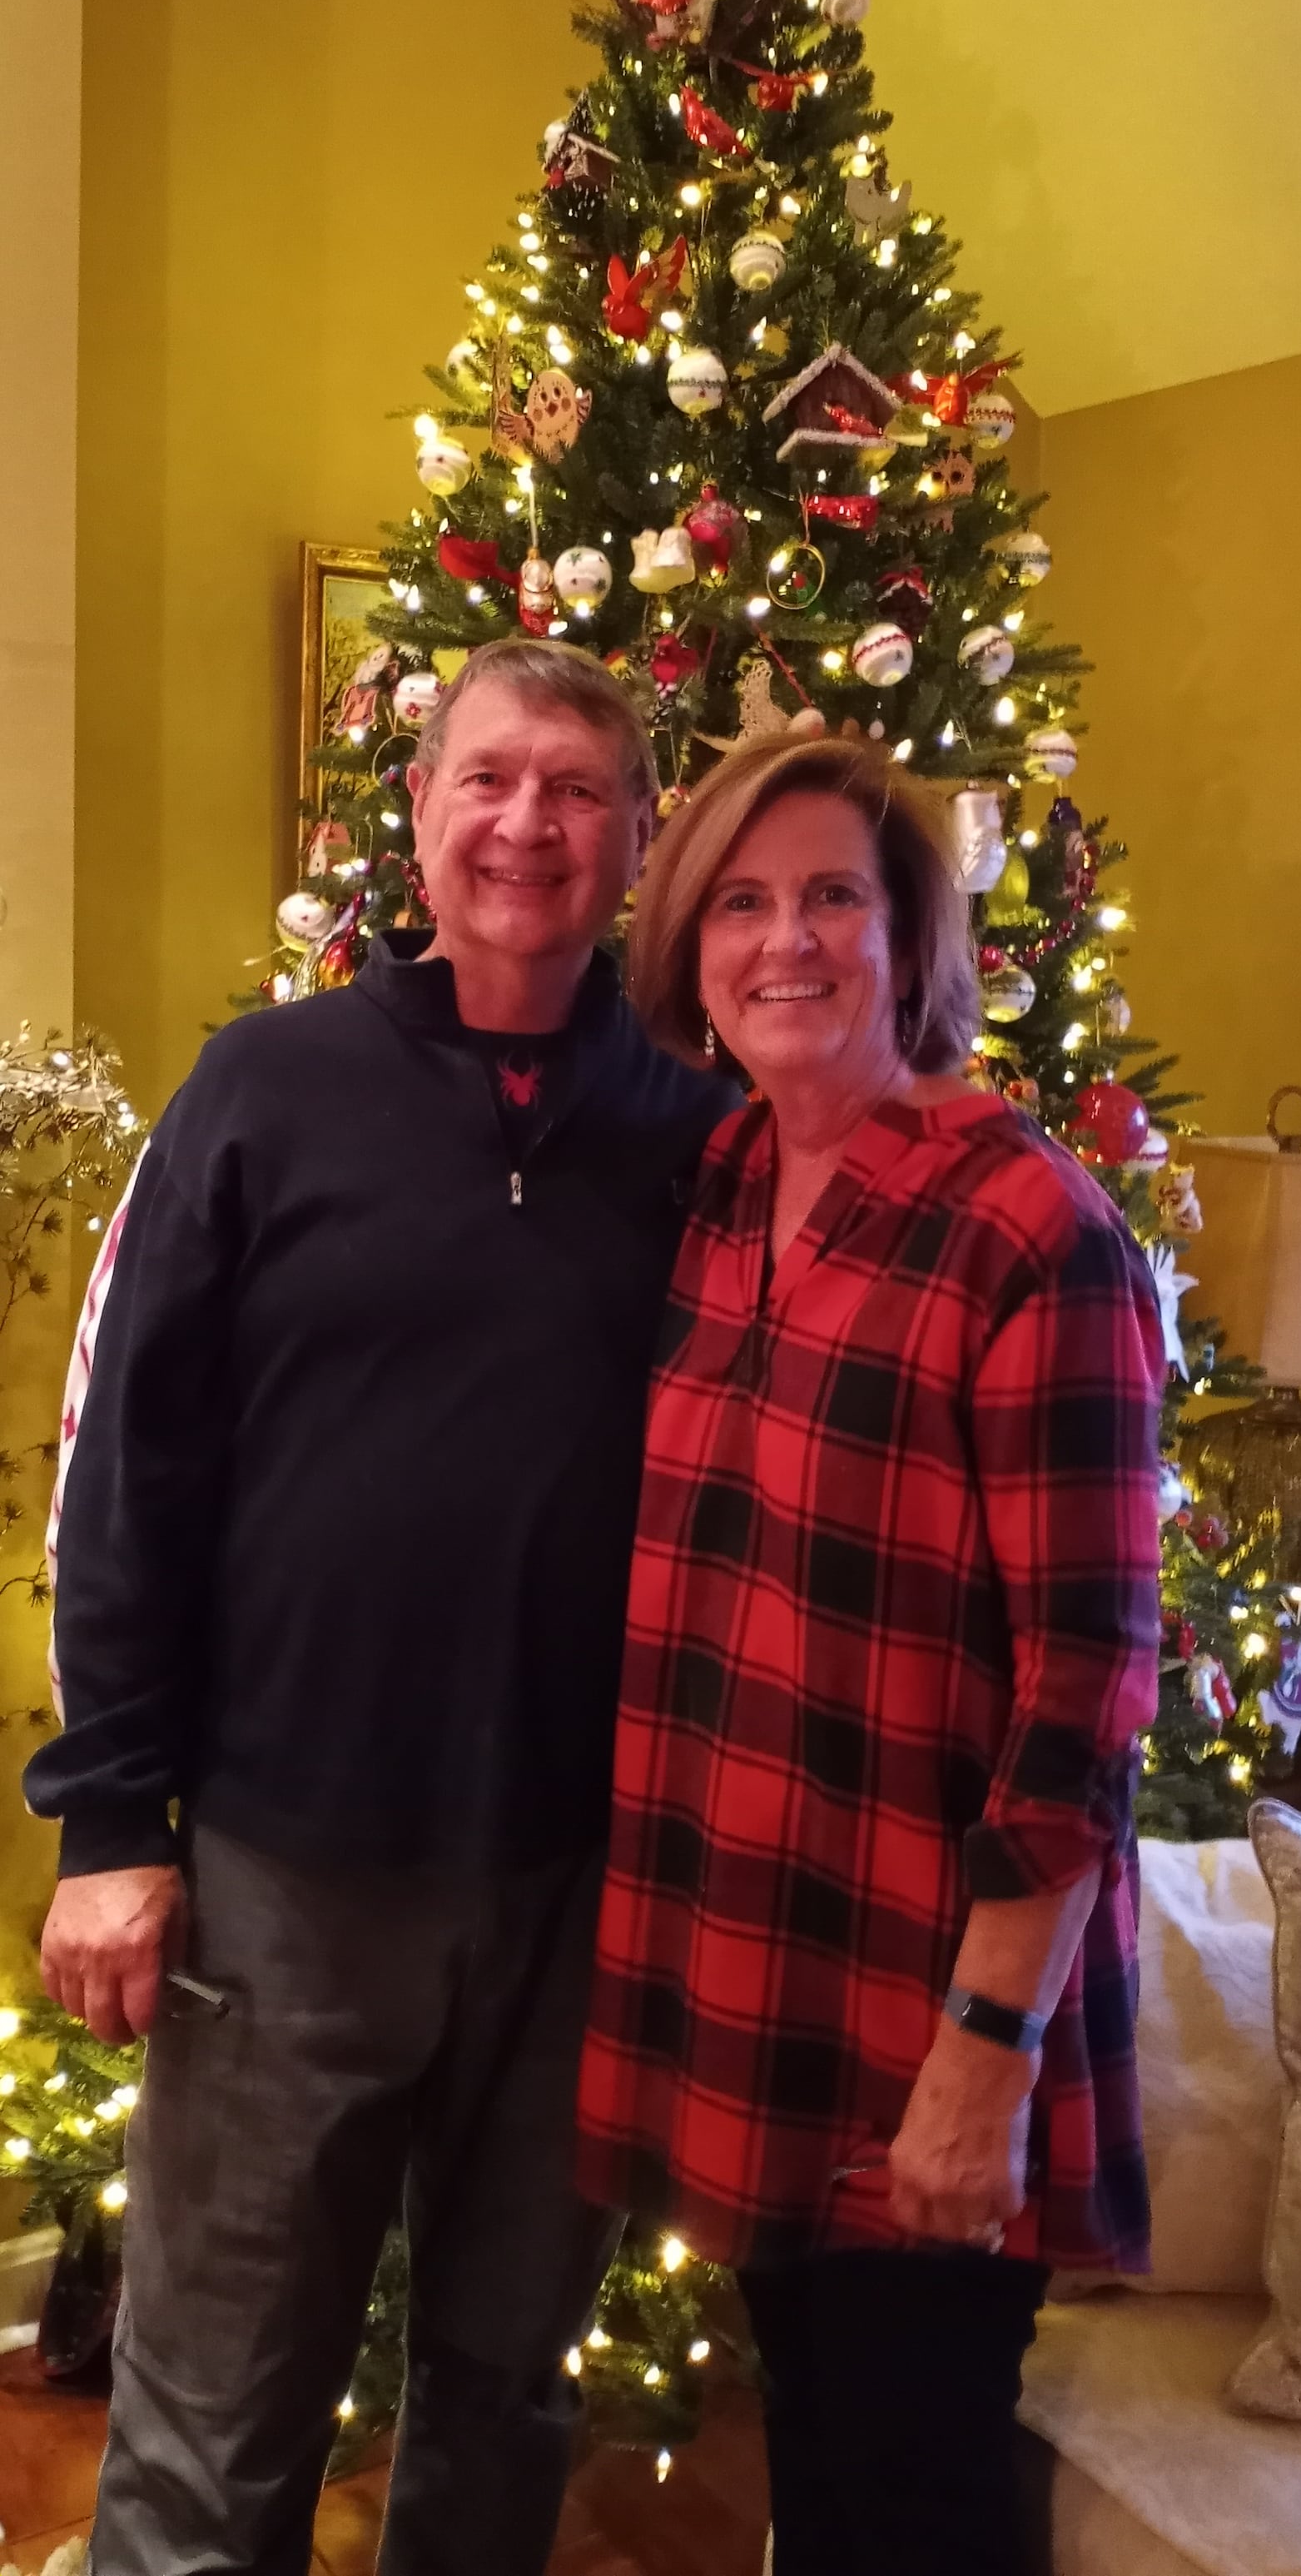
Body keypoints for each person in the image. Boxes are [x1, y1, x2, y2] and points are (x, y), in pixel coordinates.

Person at [25, 638, 739, 2576]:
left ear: (635, 842)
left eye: (578, 791)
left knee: (506, 2402)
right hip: (286, 1874)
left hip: (580, 1885)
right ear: (415, 821)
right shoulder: (260, 1092)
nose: (528, 825)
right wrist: (109, 1821)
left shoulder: (700, 1141)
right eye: (488, 780)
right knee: (211, 2417)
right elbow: (125, 1472)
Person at [576, 734, 1164, 2576]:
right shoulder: (720, 1185)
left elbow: (1087, 1688)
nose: (785, 942)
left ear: (908, 936)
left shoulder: (1026, 1226)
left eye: (832, 894)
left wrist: (986, 2046)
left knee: (906, 2500)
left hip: (935, 1998)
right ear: (683, 948)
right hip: (758, 1971)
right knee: (821, 2462)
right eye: (740, 903)